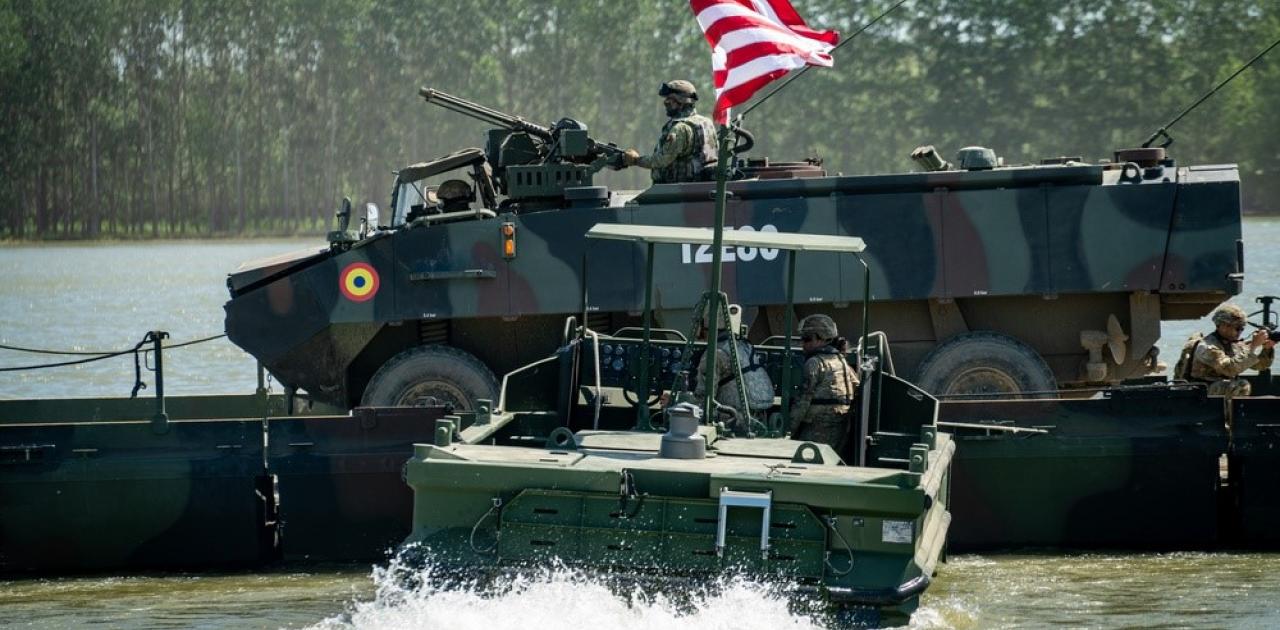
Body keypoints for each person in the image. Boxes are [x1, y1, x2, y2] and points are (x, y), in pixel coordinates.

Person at [688, 307, 775, 428]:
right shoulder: (744, 345)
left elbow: (704, 399)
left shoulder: (715, 353)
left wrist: (678, 403)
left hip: (735, 420)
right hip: (759, 418)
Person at [621, 80, 718, 184]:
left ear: (681, 102)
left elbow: (662, 160)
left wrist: (636, 160)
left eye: (670, 99)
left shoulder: (680, 128)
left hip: (679, 191)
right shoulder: (706, 122)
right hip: (701, 190)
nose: (665, 102)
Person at [789, 314, 859, 449]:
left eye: (807, 339)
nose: (803, 344)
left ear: (821, 339)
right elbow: (856, 386)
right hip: (841, 427)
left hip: (817, 429)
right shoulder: (841, 361)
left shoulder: (814, 363)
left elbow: (803, 401)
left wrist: (789, 429)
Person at [1187, 303, 1274, 397]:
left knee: (1239, 384)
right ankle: (1230, 411)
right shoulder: (1207, 346)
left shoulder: (1233, 344)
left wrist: (1267, 349)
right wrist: (1253, 346)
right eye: (1237, 328)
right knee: (1240, 386)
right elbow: (1229, 369)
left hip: (1217, 389)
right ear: (1223, 326)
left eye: (1242, 329)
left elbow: (1260, 365)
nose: (1240, 332)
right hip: (1200, 392)